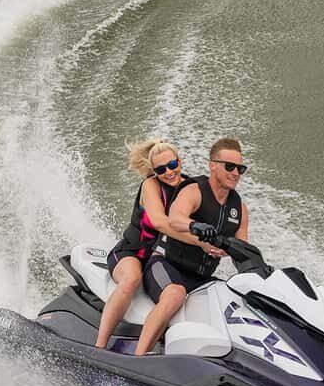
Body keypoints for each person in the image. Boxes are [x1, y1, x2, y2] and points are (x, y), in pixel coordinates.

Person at [136, 137, 248, 356]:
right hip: (166, 264)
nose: (235, 173)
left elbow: (242, 250)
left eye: (240, 168)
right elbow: (175, 219)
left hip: (201, 278)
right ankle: (137, 358)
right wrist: (195, 226)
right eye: (229, 167)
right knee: (175, 294)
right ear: (213, 165)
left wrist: (252, 268)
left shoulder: (240, 209)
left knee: (233, 300)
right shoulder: (194, 190)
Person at [95, 139, 191, 349]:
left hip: (159, 261)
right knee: (131, 279)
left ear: (179, 161)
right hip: (130, 252)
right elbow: (160, 222)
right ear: (154, 172)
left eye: (172, 165)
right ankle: (99, 347)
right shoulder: (151, 186)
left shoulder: (191, 188)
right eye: (161, 169)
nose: (169, 172)